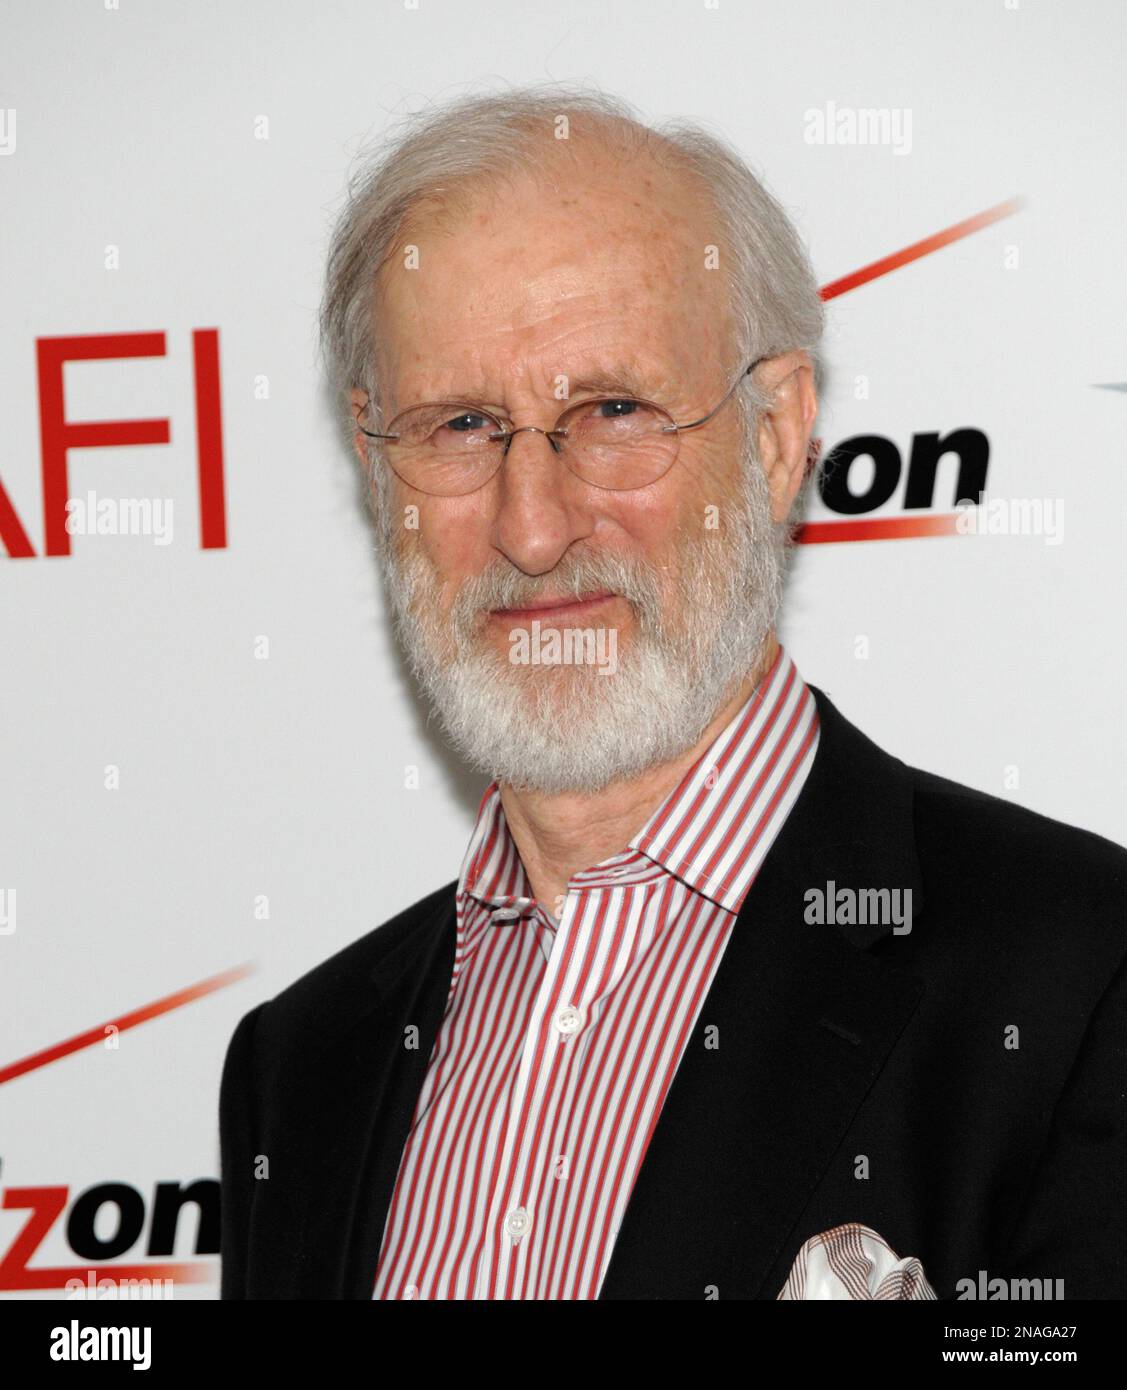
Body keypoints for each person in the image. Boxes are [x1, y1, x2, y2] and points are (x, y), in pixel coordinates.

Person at [218, 85, 1127, 1301]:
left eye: (611, 411)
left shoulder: (1075, 980)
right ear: (377, 462)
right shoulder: (302, 1067)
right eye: (462, 424)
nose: (532, 527)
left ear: (772, 435)